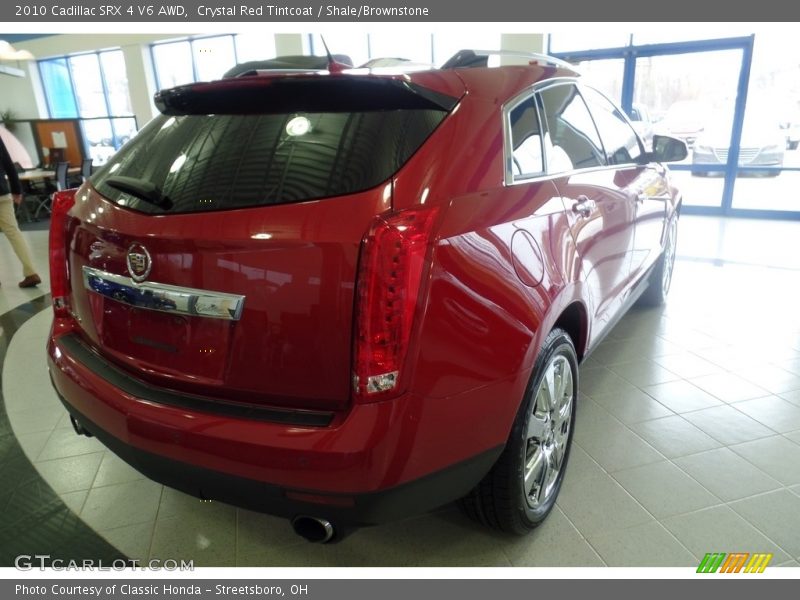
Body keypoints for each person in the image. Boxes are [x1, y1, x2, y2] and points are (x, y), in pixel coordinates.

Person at [0, 135, 41, 288]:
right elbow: (8, 163)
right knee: (13, 232)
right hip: (2, 193)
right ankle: (31, 273)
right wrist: (17, 189)